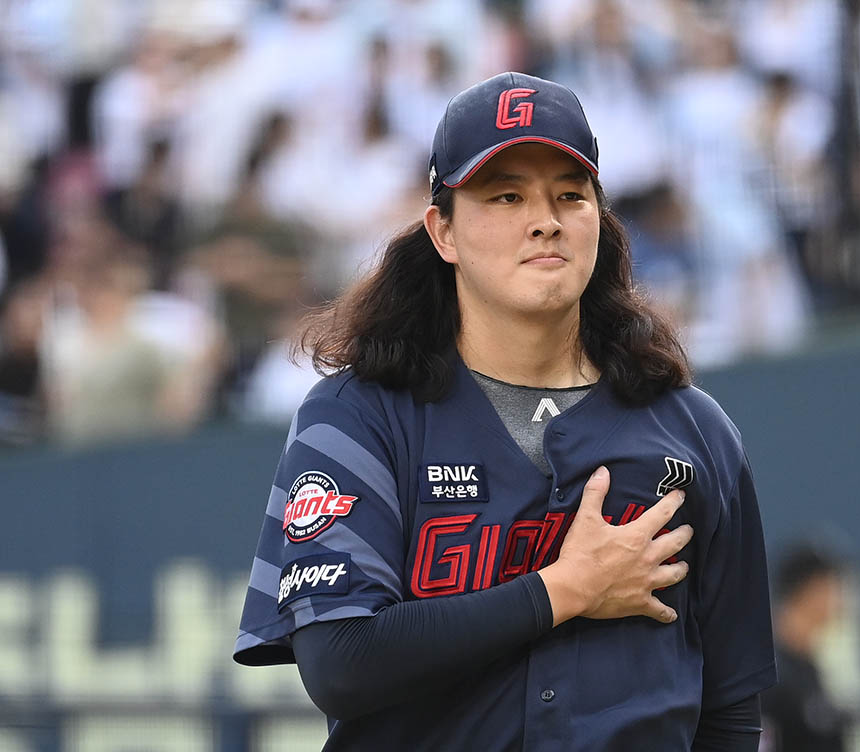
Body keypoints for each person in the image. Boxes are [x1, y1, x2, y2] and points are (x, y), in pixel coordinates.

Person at [233, 71, 776, 751]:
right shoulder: (357, 416)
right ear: (444, 231)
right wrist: (561, 590)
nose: (545, 219)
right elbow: (341, 661)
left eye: (570, 196)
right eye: (506, 195)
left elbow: (729, 710)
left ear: (599, 227)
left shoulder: (696, 432)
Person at [759, 547, 847, 752]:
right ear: (810, 590)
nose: (838, 599)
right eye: (830, 586)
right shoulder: (770, 671)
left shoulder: (807, 667)